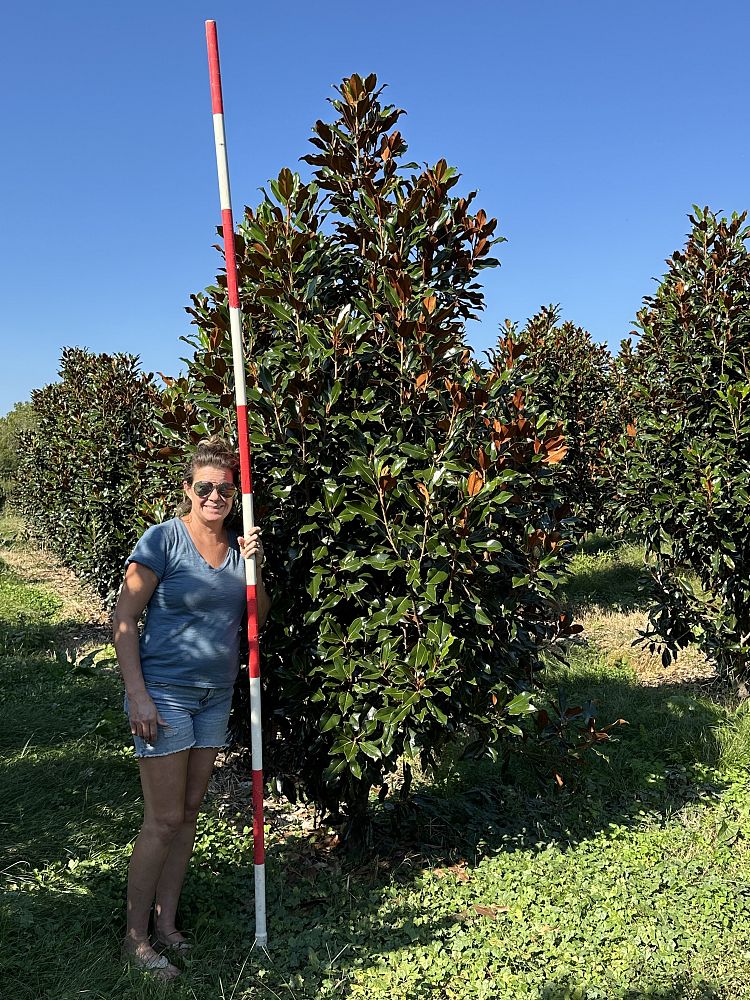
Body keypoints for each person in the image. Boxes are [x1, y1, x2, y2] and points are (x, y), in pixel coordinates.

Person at [113, 437, 270, 980]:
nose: (215, 496)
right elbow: (124, 619)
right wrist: (138, 692)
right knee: (162, 818)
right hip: (165, 693)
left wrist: (255, 568)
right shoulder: (164, 541)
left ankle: (167, 924)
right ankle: (135, 939)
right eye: (205, 487)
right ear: (187, 490)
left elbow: (258, 617)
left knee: (188, 814)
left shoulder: (238, 550)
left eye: (225, 488)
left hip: (215, 697)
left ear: (236, 494)